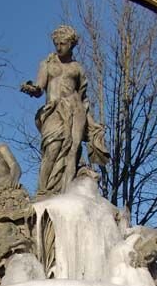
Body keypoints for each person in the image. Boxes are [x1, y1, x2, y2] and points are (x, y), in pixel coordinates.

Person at [21, 25, 109, 196]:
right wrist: (32, 89)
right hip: (53, 110)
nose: (59, 47)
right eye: (56, 44)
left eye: (63, 43)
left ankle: (66, 194)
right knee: (52, 147)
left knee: (72, 150)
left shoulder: (77, 68)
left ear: (72, 44)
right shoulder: (46, 64)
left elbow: (83, 96)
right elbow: (39, 87)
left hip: (75, 110)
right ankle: (42, 191)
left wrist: (90, 122)